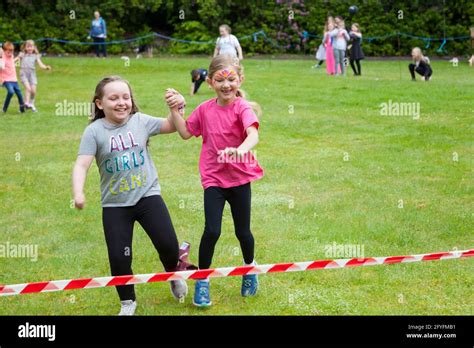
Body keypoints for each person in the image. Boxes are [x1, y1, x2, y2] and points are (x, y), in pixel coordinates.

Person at [72, 76, 188, 315]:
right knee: (119, 257)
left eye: (126, 97)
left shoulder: (140, 122)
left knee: (168, 244)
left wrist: (177, 107)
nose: (121, 102)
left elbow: (171, 125)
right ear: (99, 103)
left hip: (148, 196)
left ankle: (172, 274)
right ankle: (127, 302)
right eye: (113, 98)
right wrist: (78, 192)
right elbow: (81, 165)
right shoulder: (94, 131)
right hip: (116, 205)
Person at [165, 54, 263, 307]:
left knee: (243, 232)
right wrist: (175, 111)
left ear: (240, 79)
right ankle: (203, 281)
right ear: (210, 82)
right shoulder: (205, 109)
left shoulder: (242, 107)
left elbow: (253, 135)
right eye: (220, 80)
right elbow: (186, 132)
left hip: (240, 178)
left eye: (231, 79)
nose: (226, 85)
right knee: (212, 230)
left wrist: (241, 150)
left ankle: (250, 270)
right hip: (214, 179)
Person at [18, 40, 51, 112]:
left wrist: (45, 67)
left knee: (33, 91)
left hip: (32, 74)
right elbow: (15, 60)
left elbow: (40, 64)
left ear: (34, 47)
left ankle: (31, 104)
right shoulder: (22, 55)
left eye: (31, 47)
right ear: (25, 47)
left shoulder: (36, 56)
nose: (30, 48)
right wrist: (9, 62)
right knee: (28, 88)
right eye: (28, 47)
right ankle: (26, 104)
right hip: (24, 73)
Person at [0, 42, 25, 113]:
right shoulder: (3, 57)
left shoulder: (11, 56)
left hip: (14, 80)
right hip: (6, 80)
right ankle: (4, 108)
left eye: (11, 51)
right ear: (4, 51)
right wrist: (2, 65)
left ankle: (22, 108)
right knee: (11, 92)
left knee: (19, 94)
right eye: (8, 51)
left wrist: (18, 57)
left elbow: (12, 62)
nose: (10, 52)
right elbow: (2, 64)